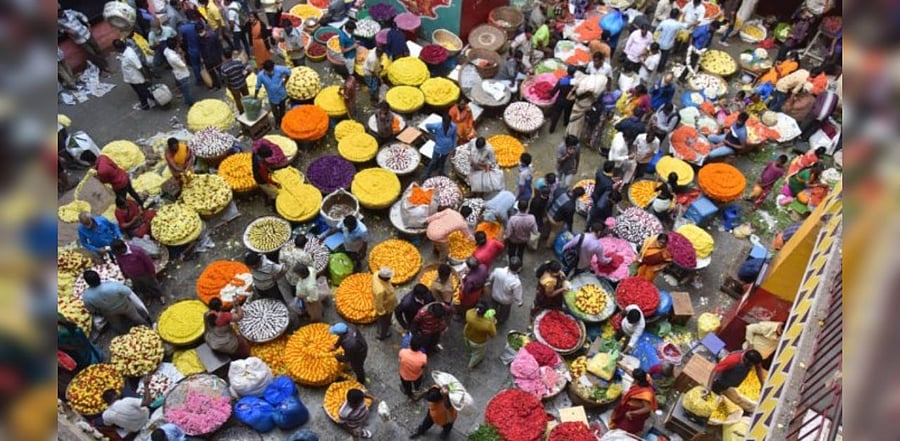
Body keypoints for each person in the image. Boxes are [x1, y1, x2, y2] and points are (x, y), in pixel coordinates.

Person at [81, 270, 150, 334]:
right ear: (99, 277)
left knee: (117, 324)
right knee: (135, 316)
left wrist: (99, 311)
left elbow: (91, 309)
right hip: (124, 305)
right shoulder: (112, 285)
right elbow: (128, 291)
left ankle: (125, 334)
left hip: (108, 312)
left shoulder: (87, 296)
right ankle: (147, 326)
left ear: (87, 283)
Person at [111, 240, 164, 305]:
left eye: (118, 252)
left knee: (152, 285)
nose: (117, 254)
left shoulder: (137, 251)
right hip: (133, 276)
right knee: (141, 288)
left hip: (145, 274)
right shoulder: (118, 255)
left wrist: (152, 272)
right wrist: (125, 274)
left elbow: (148, 262)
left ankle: (160, 296)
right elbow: (120, 264)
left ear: (123, 248)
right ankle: (148, 297)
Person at [57, 7, 110, 72]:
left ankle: (105, 62)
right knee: (92, 53)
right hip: (79, 39)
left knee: (97, 48)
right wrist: (67, 31)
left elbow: (80, 15)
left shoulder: (69, 12)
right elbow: (60, 30)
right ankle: (104, 67)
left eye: (60, 11)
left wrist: (87, 23)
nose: (60, 13)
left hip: (86, 33)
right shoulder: (58, 21)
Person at [609, 368, 658, 435]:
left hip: (636, 412)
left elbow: (647, 408)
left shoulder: (646, 394)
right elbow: (631, 373)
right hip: (628, 406)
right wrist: (621, 366)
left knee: (627, 426)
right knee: (619, 417)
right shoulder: (646, 378)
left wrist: (632, 413)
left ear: (637, 380)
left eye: (634, 379)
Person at [112, 39, 153, 110]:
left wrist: (146, 77)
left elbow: (140, 67)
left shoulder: (130, 55)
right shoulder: (125, 52)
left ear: (118, 49)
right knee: (139, 92)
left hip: (136, 78)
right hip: (131, 77)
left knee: (143, 92)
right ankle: (145, 104)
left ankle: (155, 101)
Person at [486, 257, 524, 325]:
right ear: (519, 268)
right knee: (504, 312)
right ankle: (501, 320)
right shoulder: (516, 282)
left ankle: (491, 317)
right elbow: (517, 295)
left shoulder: (498, 270)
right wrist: (519, 302)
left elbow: (490, 279)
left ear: (508, 264)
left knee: (493, 306)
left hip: (495, 295)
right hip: (505, 301)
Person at [255, 59, 291, 126]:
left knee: (282, 108)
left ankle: (282, 119)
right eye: (269, 71)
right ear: (264, 70)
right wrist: (255, 95)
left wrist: (285, 81)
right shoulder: (260, 76)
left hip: (281, 94)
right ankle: (277, 122)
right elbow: (258, 86)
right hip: (272, 97)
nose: (271, 72)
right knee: (275, 111)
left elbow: (288, 72)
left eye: (272, 70)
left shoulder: (279, 69)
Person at [464, 302, 497, 369]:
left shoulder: (469, 313)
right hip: (477, 341)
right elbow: (493, 334)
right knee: (477, 354)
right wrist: (492, 321)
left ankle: (470, 352)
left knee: (469, 347)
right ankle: (471, 365)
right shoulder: (488, 324)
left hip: (467, 334)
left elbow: (473, 310)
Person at [163, 38, 196, 106]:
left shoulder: (166, 51)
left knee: (183, 87)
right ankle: (190, 102)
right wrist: (182, 54)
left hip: (176, 72)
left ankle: (187, 99)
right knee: (187, 89)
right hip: (182, 74)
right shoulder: (174, 57)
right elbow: (183, 65)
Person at [424, 114, 458, 178]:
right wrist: (433, 133)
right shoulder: (437, 126)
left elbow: (454, 137)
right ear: (443, 122)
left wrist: (454, 148)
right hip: (438, 147)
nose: (447, 125)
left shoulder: (454, 126)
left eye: (448, 123)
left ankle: (441, 172)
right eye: (445, 124)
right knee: (433, 162)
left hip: (448, 148)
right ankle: (427, 175)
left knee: (443, 161)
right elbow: (427, 126)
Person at [220, 49, 251, 114]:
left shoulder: (223, 68)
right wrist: (244, 77)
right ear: (231, 55)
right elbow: (245, 70)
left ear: (223, 57)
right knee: (247, 97)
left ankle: (242, 112)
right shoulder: (238, 62)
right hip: (242, 83)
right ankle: (250, 108)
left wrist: (229, 87)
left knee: (238, 100)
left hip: (234, 87)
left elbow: (226, 80)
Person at [547, 66, 577, 133]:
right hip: (569, 101)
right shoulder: (575, 81)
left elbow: (554, 91)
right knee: (567, 113)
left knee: (556, 114)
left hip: (560, 99)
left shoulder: (562, 80)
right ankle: (566, 123)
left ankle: (551, 129)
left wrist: (550, 95)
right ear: (574, 73)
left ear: (567, 71)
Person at [373, 267, 398, 340]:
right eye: (389, 277)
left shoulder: (376, 274)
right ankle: (382, 335)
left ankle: (387, 322)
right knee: (383, 323)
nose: (390, 278)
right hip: (386, 307)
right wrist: (382, 313)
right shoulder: (380, 290)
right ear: (385, 279)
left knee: (387, 319)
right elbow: (379, 304)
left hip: (390, 304)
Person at [198, 25, 224, 89]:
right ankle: (217, 85)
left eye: (201, 31)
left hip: (216, 57)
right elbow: (200, 49)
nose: (200, 33)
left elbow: (219, 46)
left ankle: (224, 81)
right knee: (212, 73)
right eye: (198, 32)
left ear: (204, 29)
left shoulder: (213, 36)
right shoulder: (199, 38)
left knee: (220, 70)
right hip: (207, 58)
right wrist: (201, 57)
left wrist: (220, 55)